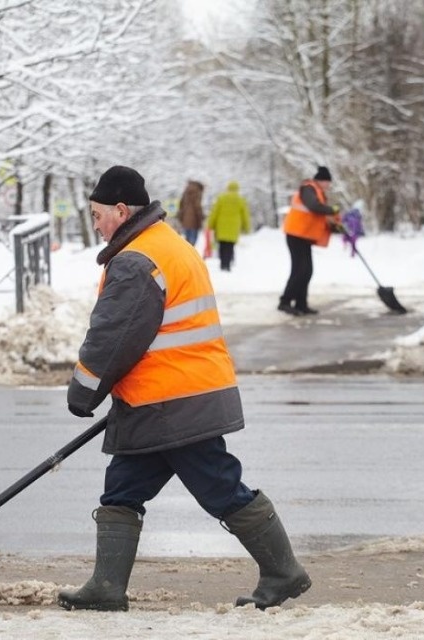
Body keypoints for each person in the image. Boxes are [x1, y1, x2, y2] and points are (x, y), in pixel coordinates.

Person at [59, 165, 311, 613]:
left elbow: (113, 336)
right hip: (170, 395)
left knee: (221, 487)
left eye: (97, 214)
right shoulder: (166, 243)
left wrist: (84, 390)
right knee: (122, 488)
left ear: (120, 210)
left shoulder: (137, 260)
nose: (95, 224)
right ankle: (106, 586)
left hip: (173, 402)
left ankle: (283, 572)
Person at [278, 166, 339, 316]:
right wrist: (332, 209)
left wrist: (334, 226)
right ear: (322, 180)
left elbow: (318, 216)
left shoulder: (317, 192)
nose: (329, 186)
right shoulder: (308, 189)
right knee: (299, 270)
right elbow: (313, 207)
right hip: (295, 235)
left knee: (306, 271)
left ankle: (301, 304)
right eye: (328, 182)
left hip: (304, 236)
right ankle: (284, 302)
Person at [206, 180, 251, 272]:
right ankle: (228, 263)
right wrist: (246, 227)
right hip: (234, 227)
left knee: (222, 245)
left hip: (221, 226)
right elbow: (245, 215)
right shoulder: (240, 200)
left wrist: (210, 224)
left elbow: (215, 212)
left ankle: (223, 263)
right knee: (230, 246)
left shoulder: (221, 198)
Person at [175, 179, 205, 246]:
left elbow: (181, 204)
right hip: (194, 221)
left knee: (187, 240)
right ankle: (190, 255)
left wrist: (181, 216)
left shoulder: (186, 191)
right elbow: (197, 206)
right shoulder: (198, 191)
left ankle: (185, 254)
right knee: (193, 241)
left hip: (185, 220)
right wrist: (201, 217)